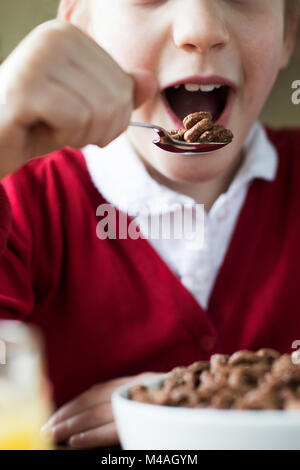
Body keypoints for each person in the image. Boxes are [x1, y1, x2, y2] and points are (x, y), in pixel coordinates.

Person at [0, 0, 299, 448]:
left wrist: (193, 406)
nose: (201, 28)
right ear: (81, 24)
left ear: (286, 34)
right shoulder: (21, 198)